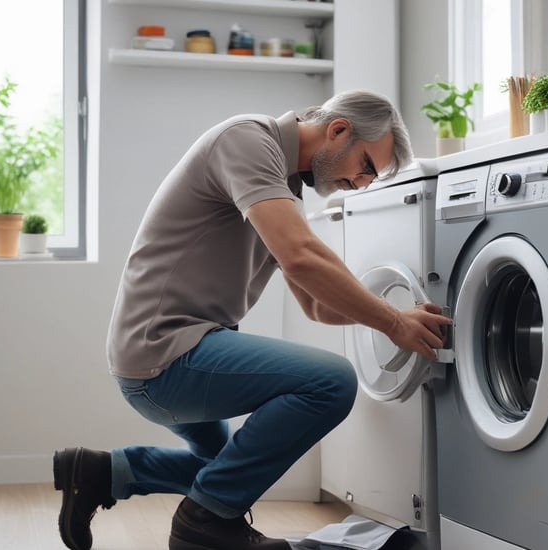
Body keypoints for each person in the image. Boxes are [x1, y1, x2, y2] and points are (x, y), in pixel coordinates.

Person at [53, 90, 452, 550]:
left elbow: (316, 305)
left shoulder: (282, 184)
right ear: (338, 129)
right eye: (365, 166)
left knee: (226, 467)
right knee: (331, 383)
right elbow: (302, 258)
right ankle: (205, 526)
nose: (362, 183)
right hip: (166, 356)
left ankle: (100, 473)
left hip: (170, 351)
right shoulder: (247, 140)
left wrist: (392, 315)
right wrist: (392, 322)